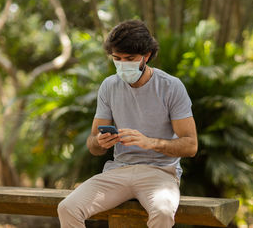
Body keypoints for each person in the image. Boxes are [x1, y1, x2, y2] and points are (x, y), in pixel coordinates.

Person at [57, 19, 198, 228]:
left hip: (159, 173)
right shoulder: (109, 86)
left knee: (163, 212)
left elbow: (191, 145)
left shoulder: (171, 87)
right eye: (117, 58)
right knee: (68, 208)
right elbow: (92, 145)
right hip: (118, 171)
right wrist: (100, 141)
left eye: (130, 58)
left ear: (146, 56)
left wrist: (150, 143)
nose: (122, 64)